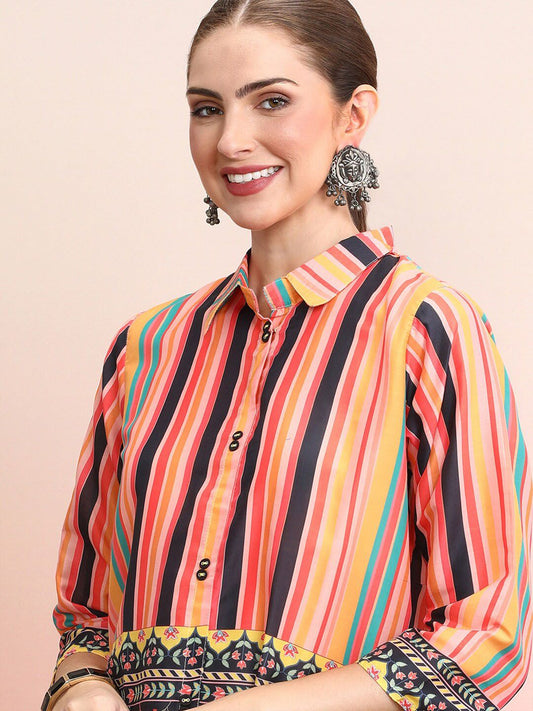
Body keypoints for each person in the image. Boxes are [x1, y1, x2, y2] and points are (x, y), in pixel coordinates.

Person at [44, 1, 532, 710]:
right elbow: (85, 615)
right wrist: (81, 686)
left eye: (271, 101)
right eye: (206, 109)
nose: (231, 140)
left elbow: (483, 640)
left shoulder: (426, 328)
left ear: (352, 115)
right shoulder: (146, 346)